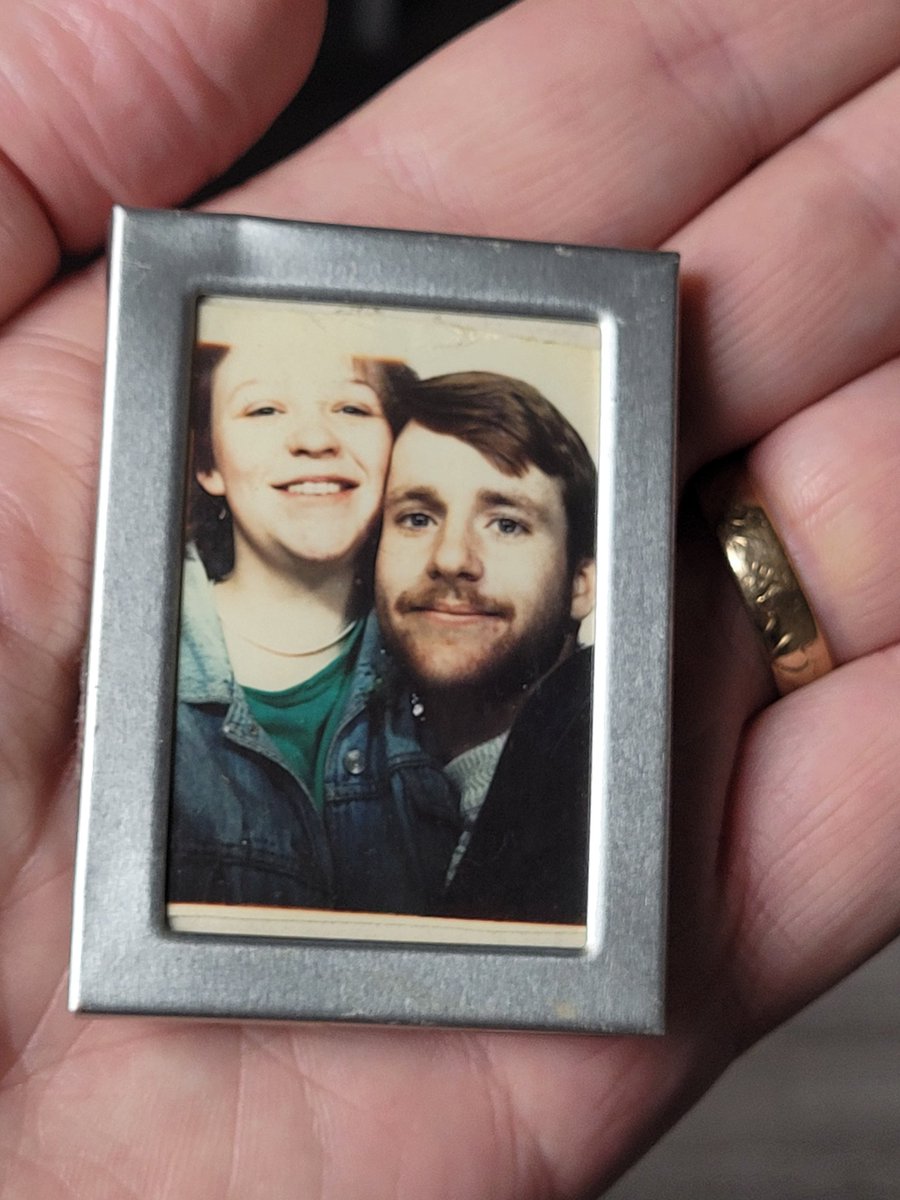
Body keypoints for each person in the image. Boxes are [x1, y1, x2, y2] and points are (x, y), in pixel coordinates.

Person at [1, 0, 898, 1196]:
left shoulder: (481, 755)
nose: (453, 556)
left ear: (592, 577)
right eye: (420, 515)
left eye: (355, 412)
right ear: (207, 457)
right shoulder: (164, 698)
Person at [168, 300, 459, 913]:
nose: (314, 439)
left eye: (352, 407)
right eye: (264, 409)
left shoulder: (455, 669)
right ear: (207, 463)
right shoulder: (139, 677)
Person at [374, 371, 597, 924]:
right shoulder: (376, 771)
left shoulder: (597, 787)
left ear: (581, 582)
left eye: (506, 524)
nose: (452, 558)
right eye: (417, 518)